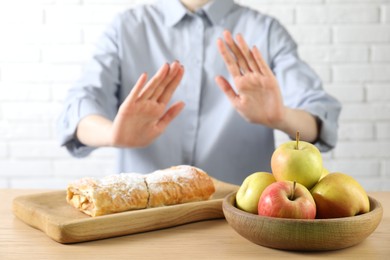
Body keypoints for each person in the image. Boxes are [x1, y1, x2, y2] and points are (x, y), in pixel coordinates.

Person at [57, 0, 341, 185]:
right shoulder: (127, 28)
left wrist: (281, 117)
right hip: (141, 219)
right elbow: (79, 105)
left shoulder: (265, 31)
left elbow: (320, 115)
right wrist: (112, 135)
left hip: (239, 220)